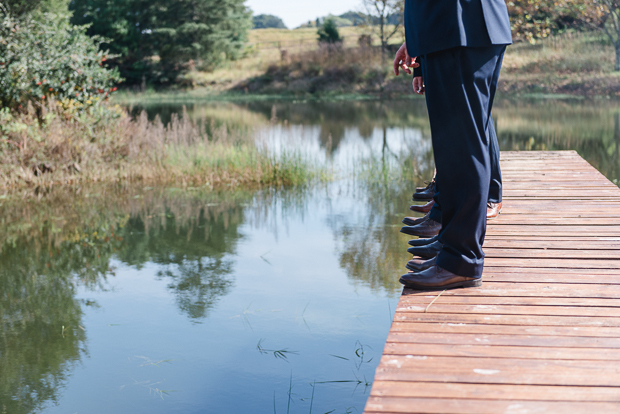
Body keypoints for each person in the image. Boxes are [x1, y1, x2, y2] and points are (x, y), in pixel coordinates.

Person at [394, 0, 512, 290]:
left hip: (458, 30)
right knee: (460, 145)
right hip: (453, 30)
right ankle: (454, 251)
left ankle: (460, 261)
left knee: (461, 147)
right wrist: (416, 40)